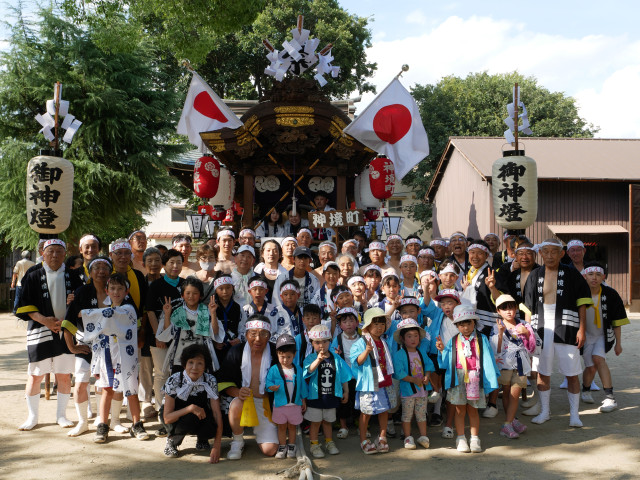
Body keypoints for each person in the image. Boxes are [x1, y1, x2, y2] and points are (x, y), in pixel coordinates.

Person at [522, 238, 593, 427]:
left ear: (562, 254)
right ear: (541, 254)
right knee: (543, 372)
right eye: (546, 252)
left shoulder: (572, 274)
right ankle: (545, 411)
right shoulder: (535, 274)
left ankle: (574, 415)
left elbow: (583, 303)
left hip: (568, 325)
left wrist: (582, 329)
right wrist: (528, 333)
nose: (550, 255)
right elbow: (528, 307)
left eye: (555, 252)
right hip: (541, 325)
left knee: (571, 372)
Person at [16, 239, 83, 431]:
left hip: (66, 331)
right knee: (35, 375)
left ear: (64, 254)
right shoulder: (33, 273)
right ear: (43, 254)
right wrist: (43, 320)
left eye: (59, 252)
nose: (54, 255)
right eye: (50, 251)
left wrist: (74, 301)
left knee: (63, 375)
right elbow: (23, 303)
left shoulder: (73, 275)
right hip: (39, 329)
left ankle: (61, 415)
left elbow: (82, 303)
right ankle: (33, 416)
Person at [82, 273, 148, 443]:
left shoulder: (129, 310)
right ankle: (103, 425)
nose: (116, 292)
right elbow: (96, 338)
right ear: (107, 290)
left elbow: (110, 314)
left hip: (126, 356)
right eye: (112, 288)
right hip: (107, 356)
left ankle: (137, 424)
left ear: (127, 291)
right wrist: (95, 364)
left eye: (120, 288)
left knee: (131, 390)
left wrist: (82, 312)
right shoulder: (104, 310)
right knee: (107, 389)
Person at [435, 304, 499, 453]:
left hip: (475, 379)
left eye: (468, 323)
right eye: (461, 324)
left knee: (473, 409)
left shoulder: (482, 339)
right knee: (459, 410)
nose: (465, 328)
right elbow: (445, 363)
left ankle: (475, 438)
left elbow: (488, 359)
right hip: (458, 378)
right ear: (457, 326)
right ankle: (461, 437)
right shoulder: (452, 341)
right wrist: (442, 350)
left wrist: (489, 379)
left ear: (474, 323)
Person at [217, 316, 279, 459]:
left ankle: (263, 431)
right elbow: (224, 381)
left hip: (266, 404)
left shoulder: (276, 353)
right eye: (253, 333)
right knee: (237, 403)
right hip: (245, 401)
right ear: (246, 335)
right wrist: (238, 392)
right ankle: (238, 440)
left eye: (263, 334)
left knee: (270, 450)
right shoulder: (236, 351)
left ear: (269, 336)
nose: (258, 339)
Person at [62, 257, 112, 437]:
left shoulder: (115, 291)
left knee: (103, 384)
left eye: (105, 267)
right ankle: (83, 421)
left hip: (109, 346)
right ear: (89, 273)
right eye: (96, 267)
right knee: (81, 383)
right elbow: (68, 322)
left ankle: (101, 418)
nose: (101, 271)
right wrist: (72, 347)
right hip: (85, 345)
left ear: (110, 272)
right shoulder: (82, 292)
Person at [579, 262, 629, 413]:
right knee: (591, 366)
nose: (594, 278)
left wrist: (618, 343)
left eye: (598, 275)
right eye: (591, 274)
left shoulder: (610, 294)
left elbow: (617, 321)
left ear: (604, 277)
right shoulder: (578, 292)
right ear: (584, 276)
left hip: (602, 335)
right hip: (585, 335)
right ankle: (586, 390)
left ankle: (610, 397)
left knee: (599, 359)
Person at [146, 249, 186, 435]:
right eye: (171, 262)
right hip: (161, 338)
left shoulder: (186, 284)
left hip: (182, 338)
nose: (175, 266)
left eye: (178, 262)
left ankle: (177, 415)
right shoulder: (156, 285)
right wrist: (158, 335)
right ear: (164, 265)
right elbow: (151, 311)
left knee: (178, 374)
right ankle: (163, 417)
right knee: (161, 374)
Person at [160, 344, 223, 462]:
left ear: (205, 366)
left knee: (213, 422)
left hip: (199, 414)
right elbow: (167, 418)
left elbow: (216, 412)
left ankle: (202, 438)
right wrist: (190, 408)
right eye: (191, 362)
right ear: (184, 364)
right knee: (190, 416)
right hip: (175, 417)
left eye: (200, 363)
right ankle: (172, 440)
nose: (195, 367)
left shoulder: (210, 380)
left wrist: (217, 445)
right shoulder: (174, 380)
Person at [350, 307, 397, 455]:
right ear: (368, 326)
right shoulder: (361, 342)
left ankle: (382, 437)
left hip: (384, 381)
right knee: (366, 412)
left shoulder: (384, 341)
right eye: (375, 324)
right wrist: (366, 351)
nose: (379, 327)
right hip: (369, 384)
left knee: (384, 410)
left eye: (382, 324)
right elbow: (356, 361)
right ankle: (363, 439)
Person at [156, 276, 225, 375]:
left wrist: (213, 313)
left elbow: (215, 332)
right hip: (180, 357)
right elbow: (168, 333)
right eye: (187, 293)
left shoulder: (206, 311)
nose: (191, 296)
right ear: (182, 295)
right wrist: (167, 314)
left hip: (201, 357)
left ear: (201, 295)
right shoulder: (177, 312)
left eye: (195, 293)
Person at [490, 294, 536, 439]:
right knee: (506, 392)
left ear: (516, 308)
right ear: (498, 311)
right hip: (504, 364)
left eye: (512, 308)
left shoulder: (524, 324)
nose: (509, 312)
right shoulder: (496, 326)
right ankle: (512, 421)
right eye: (505, 309)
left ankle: (507, 424)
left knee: (515, 394)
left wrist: (527, 333)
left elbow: (534, 345)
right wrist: (500, 333)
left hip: (520, 364)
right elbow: (495, 350)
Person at [303, 324, 352, 458]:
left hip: (331, 396)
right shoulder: (311, 358)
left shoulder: (336, 358)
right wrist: (318, 360)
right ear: (312, 343)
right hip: (315, 397)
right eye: (317, 342)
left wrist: (346, 391)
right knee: (315, 423)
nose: (321, 345)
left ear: (330, 341)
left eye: (325, 341)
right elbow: (307, 372)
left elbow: (343, 376)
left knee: (327, 421)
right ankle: (314, 445)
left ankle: (329, 442)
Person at [392, 318, 435, 450]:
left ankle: (423, 436)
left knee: (421, 413)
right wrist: (413, 380)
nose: (413, 339)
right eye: (409, 336)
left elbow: (429, 365)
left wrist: (427, 376)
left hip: (422, 390)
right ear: (402, 338)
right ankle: (408, 436)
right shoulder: (399, 354)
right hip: (407, 391)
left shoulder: (421, 352)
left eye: (416, 336)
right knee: (407, 414)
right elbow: (399, 373)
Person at [265, 334, 307, 459]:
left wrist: (303, 400)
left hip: (294, 404)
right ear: (277, 354)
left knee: (293, 427)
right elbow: (268, 382)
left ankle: (292, 445)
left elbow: (302, 386)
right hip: (279, 404)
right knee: (281, 427)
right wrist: (270, 387)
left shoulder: (298, 369)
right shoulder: (274, 369)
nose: (285, 360)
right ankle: (282, 446)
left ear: (294, 355)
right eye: (282, 356)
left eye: (288, 357)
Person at [330, 307, 361, 439]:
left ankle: (361, 425)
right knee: (344, 401)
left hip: (359, 376)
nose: (348, 323)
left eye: (351, 320)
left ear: (357, 323)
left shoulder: (362, 338)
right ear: (340, 325)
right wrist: (335, 354)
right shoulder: (338, 339)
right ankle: (343, 426)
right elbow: (332, 353)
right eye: (344, 321)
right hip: (344, 376)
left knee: (359, 400)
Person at [273, 246, 320, 310]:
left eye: (305, 258)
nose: (302, 261)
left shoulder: (314, 280)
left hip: (307, 315)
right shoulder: (282, 278)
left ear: (310, 261)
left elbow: (316, 301)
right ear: (293, 259)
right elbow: (276, 300)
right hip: (285, 313)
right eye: (299, 257)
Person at [239, 277, 276, 341]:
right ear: (249, 291)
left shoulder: (273, 310)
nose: (258, 292)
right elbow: (242, 329)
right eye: (254, 289)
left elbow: (275, 329)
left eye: (261, 289)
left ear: (266, 291)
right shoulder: (245, 310)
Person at [294, 303, 322, 368]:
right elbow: (296, 360)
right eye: (308, 318)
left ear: (320, 319)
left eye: (314, 318)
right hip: (302, 373)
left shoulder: (324, 337)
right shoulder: (298, 338)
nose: (311, 321)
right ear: (303, 319)